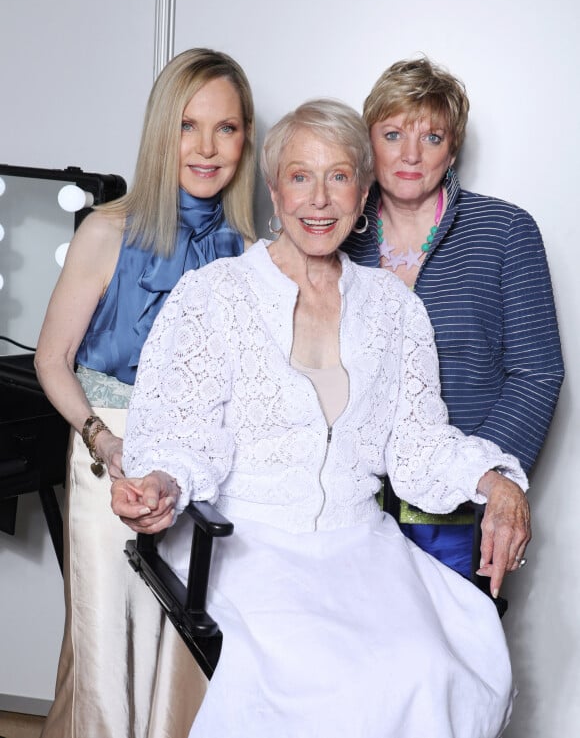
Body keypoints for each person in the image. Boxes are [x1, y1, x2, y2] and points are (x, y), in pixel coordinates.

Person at [112, 99, 531, 738]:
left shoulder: (394, 309)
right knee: (331, 684)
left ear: (363, 195)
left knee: (425, 668)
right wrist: (162, 484)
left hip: (361, 543)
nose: (320, 198)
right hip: (254, 545)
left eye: (339, 177)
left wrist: (496, 481)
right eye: (301, 177)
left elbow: (417, 444)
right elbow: (179, 434)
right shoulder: (214, 296)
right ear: (275, 192)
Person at [34, 48, 256, 738]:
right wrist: (102, 439)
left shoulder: (251, 249)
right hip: (111, 453)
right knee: (106, 641)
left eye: (226, 128)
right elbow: (52, 359)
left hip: (200, 466)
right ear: (163, 130)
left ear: (247, 138)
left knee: (180, 646)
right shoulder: (106, 230)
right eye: (190, 125)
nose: (207, 147)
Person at [342, 57, 563, 578]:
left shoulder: (506, 231)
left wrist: (474, 476)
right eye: (393, 134)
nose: (411, 155)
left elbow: (537, 374)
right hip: (348, 503)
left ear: (454, 147)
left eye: (432, 138)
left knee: (449, 653)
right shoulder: (337, 233)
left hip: (461, 509)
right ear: (368, 140)